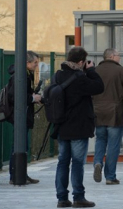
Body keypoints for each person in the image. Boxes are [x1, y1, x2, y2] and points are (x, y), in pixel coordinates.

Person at [53, 47, 104, 208]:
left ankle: (62, 198)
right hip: (78, 127)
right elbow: (99, 87)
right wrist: (91, 70)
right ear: (81, 62)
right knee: (76, 163)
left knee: (62, 162)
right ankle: (78, 197)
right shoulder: (80, 78)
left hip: (61, 125)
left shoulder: (58, 75)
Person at [92, 48, 123, 185]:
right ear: (112, 56)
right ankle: (110, 176)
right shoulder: (122, 71)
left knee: (100, 140)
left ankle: (97, 163)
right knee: (113, 145)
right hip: (116, 113)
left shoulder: (95, 71)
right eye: (119, 55)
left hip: (98, 112)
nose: (119, 58)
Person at [6, 50, 43, 185]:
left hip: (22, 115)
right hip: (20, 116)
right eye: (35, 63)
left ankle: (20, 173)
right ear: (27, 63)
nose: (36, 66)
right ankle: (16, 174)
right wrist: (33, 98)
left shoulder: (25, 75)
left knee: (22, 145)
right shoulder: (20, 76)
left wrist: (33, 97)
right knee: (19, 145)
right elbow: (16, 97)